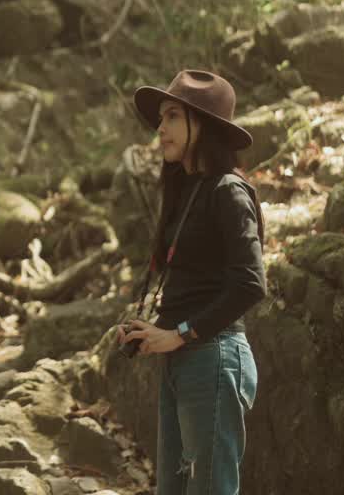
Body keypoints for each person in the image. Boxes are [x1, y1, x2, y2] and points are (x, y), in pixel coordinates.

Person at [118, 69, 268, 495]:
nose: (160, 129)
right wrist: (147, 330)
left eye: (171, 117)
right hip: (185, 362)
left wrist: (179, 334)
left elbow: (250, 283)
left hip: (214, 359)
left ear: (201, 125)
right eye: (161, 119)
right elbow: (190, 282)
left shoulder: (228, 191)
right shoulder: (189, 191)